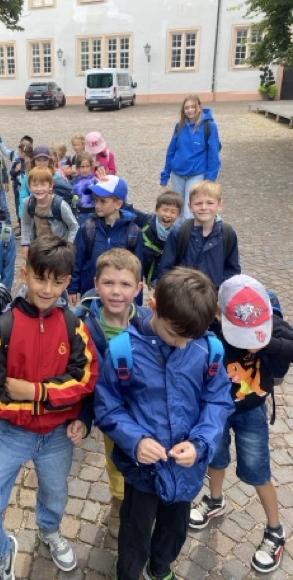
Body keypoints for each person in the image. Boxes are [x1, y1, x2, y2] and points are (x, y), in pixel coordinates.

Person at [95, 267, 234, 580]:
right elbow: (108, 406)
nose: (182, 345)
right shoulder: (123, 351)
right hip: (142, 470)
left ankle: (160, 567)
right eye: (174, 335)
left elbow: (218, 400)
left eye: (189, 338)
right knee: (135, 531)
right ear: (154, 305)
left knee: (174, 529)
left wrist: (201, 443)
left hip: (186, 468)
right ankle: (129, 574)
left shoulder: (207, 349)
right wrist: (136, 440)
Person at [0, 235, 99, 579]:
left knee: (56, 492)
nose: (47, 289)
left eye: (57, 282)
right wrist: (39, 408)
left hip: (58, 434)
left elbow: (86, 378)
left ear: (67, 281)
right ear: (24, 273)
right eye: (40, 278)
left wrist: (37, 392)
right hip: (12, 433)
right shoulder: (2, 329)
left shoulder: (75, 327)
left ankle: (49, 530)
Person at [189, 275, 293, 574]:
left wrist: (267, 343)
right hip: (215, 411)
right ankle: (215, 500)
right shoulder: (210, 322)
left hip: (252, 411)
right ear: (218, 311)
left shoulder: (270, 324)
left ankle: (275, 529)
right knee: (216, 458)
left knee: (259, 471)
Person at [75, 249, 143, 538]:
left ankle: (141, 506)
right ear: (96, 283)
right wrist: (82, 417)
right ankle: (118, 505)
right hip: (108, 413)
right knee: (116, 461)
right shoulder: (83, 324)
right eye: (108, 283)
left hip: (141, 409)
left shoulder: (146, 323)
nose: (116, 292)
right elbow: (78, 374)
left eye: (125, 284)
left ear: (138, 288)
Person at [68, 175, 143, 305]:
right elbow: (77, 260)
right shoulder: (88, 228)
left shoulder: (133, 233)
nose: (97, 205)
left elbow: (137, 271)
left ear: (118, 204)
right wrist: (73, 288)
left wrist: (136, 304)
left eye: (103, 201)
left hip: (118, 298)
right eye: (96, 200)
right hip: (91, 295)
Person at [157, 180, 240, 288]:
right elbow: (165, 269)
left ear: (220, 205)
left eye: (210, 203)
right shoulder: (179, 233)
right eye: (198, 203)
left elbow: (232, 270)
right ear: (190, 206)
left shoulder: (227, 234)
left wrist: (222, 290)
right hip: (183, 294)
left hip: (214, 295)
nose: (204, 207)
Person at [160, 94, 221, 219]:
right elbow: (171, 151)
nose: (190, 110)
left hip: (196, 174)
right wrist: (165, 174)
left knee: (189, 213)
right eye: (186, 108)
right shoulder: (180, 126)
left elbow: (214, 156)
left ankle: (190, 232)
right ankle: (179, 232)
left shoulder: (209, 126)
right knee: (177, 210)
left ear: (199, 107)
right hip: (177, 174)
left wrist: (209, 180)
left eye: (193, 107)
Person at [21, 167, 78, 260]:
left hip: (58, 252)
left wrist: (68, 247)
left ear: (50, 186)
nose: (39, 189)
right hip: (39, 248)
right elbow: (26, 223)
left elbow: (74, 226)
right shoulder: (28, 203)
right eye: (35, 185)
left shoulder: (60, 205)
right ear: (29, 187)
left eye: (43, 185)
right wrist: (25, 244)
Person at [132, 190, 183, 287]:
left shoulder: (178, 233)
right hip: (139, 262)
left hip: (157, 271)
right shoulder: (147, 220)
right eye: (165, 210)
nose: (168, 215)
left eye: (173, 212)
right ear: (156, 209)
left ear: (179, 215)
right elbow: (129, 210)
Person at [18, 144, 63, 220]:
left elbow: (61, 194)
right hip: (32, 211)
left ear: (49, 160)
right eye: (38, 160)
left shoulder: (56, 175)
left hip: (51, 213)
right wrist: (23, 215)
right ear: (33, 161)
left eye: (45, 160)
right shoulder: (29, 174)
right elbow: (23, 193)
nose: (42, 163)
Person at [9, 140, 34, 237]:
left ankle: (29, 229)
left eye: (19, 151)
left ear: (23, 152)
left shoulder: (32, 163)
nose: (18, 153)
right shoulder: (18, 161)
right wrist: (16, 169)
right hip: (18, 191)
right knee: (18, 208)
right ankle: (21, 227)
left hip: (29, 191)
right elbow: (11, 173)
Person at [72, 152, 97, 225]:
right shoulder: (74, 183)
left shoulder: (95, 182)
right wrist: (74, 208)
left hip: (93, 214)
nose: (85, 169)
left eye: (87, 166)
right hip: (79, 214)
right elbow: (73, 198)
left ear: (91, 167)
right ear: (78, 167)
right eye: (82, 167)